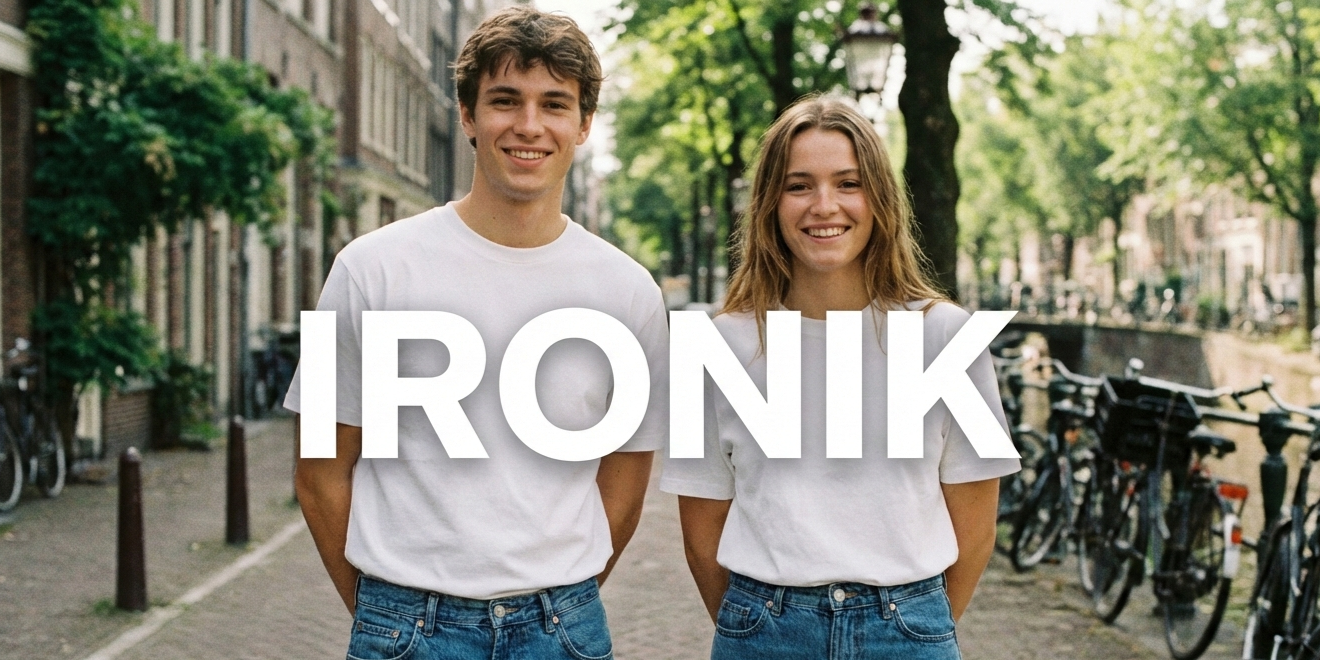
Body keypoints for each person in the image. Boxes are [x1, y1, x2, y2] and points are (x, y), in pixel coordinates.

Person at [285, 7, 666, 659]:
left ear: (583, 124)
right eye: (505, 101)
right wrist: (386, 613)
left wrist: (560, 600)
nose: (528, 126)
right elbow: (319, 469)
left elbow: (627, 473)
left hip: (564, 628)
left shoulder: (630, 292)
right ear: (467, 115)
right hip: (408, 624)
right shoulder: (365, 269)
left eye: (554, 104)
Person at [660, 96, 1019, 659]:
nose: (824, 206)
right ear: (769, 203)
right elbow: (701, 530)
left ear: (878, 198)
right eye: (799, 185)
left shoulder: (949, 336)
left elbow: (976, 525)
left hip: (907, 633)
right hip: (764, 632)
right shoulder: (715, 346)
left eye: (848, 183)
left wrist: (920, 630)